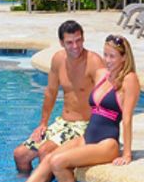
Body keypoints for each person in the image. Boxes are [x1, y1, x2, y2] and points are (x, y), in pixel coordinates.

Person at [0, 34, 139, 182]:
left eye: (112, 56)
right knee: (49, 159)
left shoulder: (129, 79)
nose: (107, 60)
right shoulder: (103, 75)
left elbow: (127, 119)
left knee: (58, 162)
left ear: (124, 57)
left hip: (106, 143)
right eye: (105, 55)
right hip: (87, 138)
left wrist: (127, 154)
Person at [12, 20, 104, 173]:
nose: (75, 46)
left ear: (83, 38)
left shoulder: (93, 62)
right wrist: (43, 123)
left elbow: (107, 95)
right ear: (61, 43)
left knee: (45, 151)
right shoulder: (58, 59)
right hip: (63, 124)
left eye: (78, 40)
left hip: (85, 125)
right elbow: (51, 92)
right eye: (70, 42)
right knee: (20, 155)